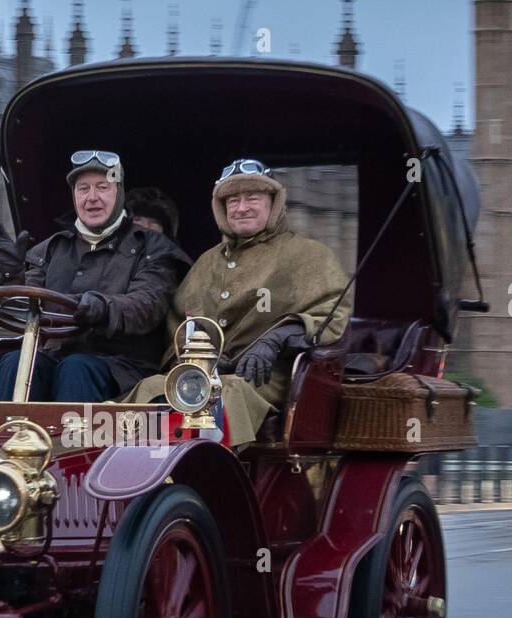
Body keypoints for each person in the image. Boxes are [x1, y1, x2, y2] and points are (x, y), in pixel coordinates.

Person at [125, 159, 352, 447]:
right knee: (149, 389)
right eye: (232, 200)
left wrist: (274, 340)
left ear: (274, 203)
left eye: (252, 198)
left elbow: (330, 315)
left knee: (223, 397)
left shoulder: (310, 255)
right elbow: (181, 321)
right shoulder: (207, 262)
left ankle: (202, 477)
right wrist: (202, 355)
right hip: (202, 374)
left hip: (264, 378)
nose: (241, 207)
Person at [0, 150, 190, 402]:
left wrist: (101, 307)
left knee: (77, 368)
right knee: (15, 362)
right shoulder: (52, 248)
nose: (92, 198)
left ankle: (73, 443)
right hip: (56, 356)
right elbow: (25, 307)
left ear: (119, 192)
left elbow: (147, 305)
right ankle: (6, 438)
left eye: (102, 187)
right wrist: (11, 275)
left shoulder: (153, 247)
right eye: (83, 189)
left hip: (123, 369)